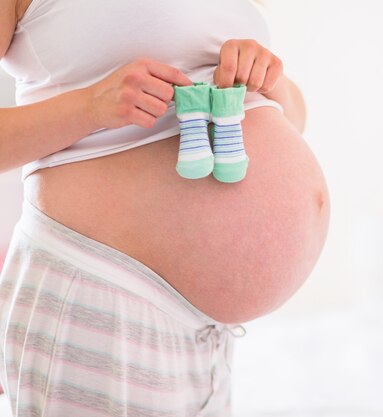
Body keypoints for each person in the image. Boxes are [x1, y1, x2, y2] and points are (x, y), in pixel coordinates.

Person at [0, 0, 330, 415]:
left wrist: (267, 78)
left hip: (207, 337)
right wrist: (89, 107)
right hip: (103, 288)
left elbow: (290, 117)